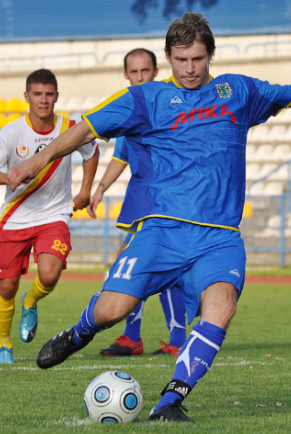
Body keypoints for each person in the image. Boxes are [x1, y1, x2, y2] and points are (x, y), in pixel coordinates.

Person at [7, 12, 291, 421]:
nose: (189, 69)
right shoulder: (145, 99)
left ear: (210, 55)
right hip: (162, 231)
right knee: (112, 310)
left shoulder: (236, 91)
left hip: (219, 237)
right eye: (181, 60)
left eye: (198, 59)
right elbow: (87, 129)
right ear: (168, 56)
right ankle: (79, 332)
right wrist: (38, 161)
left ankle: (171, 401)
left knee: (221, 306)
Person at [0, 68, 99, 364]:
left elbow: (91, 152)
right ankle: (4, 343)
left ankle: (31, 301)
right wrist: (7, 178)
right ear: (27, 97)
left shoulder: (70, 127)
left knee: (49, 273)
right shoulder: (11, 133)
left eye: (48, 94)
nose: (43, 100)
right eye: (37, 94)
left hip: (53, 216)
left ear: (56, 96)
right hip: (15, 218)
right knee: (6, 287)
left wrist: (85, 190)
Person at [88, 48, 187, 357]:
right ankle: (140, 337)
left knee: (143, 265)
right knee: (136, 266)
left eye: (146, 71)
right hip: (143, 198)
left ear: (155, 72)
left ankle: (162, 338)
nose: (141, 77)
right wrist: (101, 187)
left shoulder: (170, 103)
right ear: (126, 75)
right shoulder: (132, 109)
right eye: (135, 72)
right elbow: (121, 155)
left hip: (164, 198)